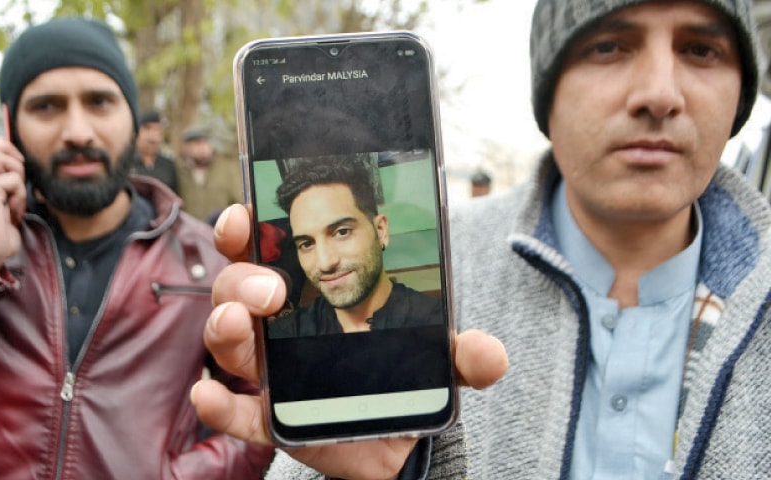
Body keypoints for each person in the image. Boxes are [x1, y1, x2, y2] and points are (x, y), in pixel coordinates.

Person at [190, 0, 771, 478]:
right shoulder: (451, 267)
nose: (658, 93)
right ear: (549, 87)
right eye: (610, 45)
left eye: (701, 49)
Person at [0, 17, 273, 478]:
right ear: (9, 127)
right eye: (47, 106)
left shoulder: (202, 262)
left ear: (132, 119)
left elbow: (261, 404)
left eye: (99, 102)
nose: (77, 131)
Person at [267, 156, 443, 338]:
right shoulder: (285, 334)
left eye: (342, 232)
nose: (325, 263)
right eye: (307, 243)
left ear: (380, 231)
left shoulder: (436, 323)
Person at [176, 126, 243, 222]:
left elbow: (238, 202)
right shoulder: (181, 172)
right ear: (187, 147)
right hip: (190, 232)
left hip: (219, 230)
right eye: (197, 144)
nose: (203, 148)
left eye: (205, 142)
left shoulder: (226, 168)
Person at [132, 109, 179, 193]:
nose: (153, 136)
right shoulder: (126, 162)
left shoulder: (168, 165)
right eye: (147, 129)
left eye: (158, 131)